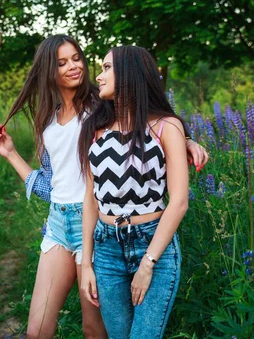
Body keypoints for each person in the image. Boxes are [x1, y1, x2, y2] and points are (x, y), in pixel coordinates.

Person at [0, 35, 208, 338]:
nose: (74, 66)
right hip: (59, 222)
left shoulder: (101, 107)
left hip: (94, 222)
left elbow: (145, 122)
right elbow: (52, 187)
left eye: (77, 58)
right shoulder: (48, 121)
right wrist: (12, 155)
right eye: (62, 62)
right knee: (37, 330)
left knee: (95, 330)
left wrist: (183, 139)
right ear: (48, 70)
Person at [79, 46, 190, 338]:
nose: (99, 77)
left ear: (129, 74)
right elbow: (91, 200)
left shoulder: (167, 127)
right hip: (106, 248)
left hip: (153, 245)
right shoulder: (96, 129)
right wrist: (86, 264)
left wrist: (147, 263)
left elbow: (178, 202)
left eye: (106, 68)